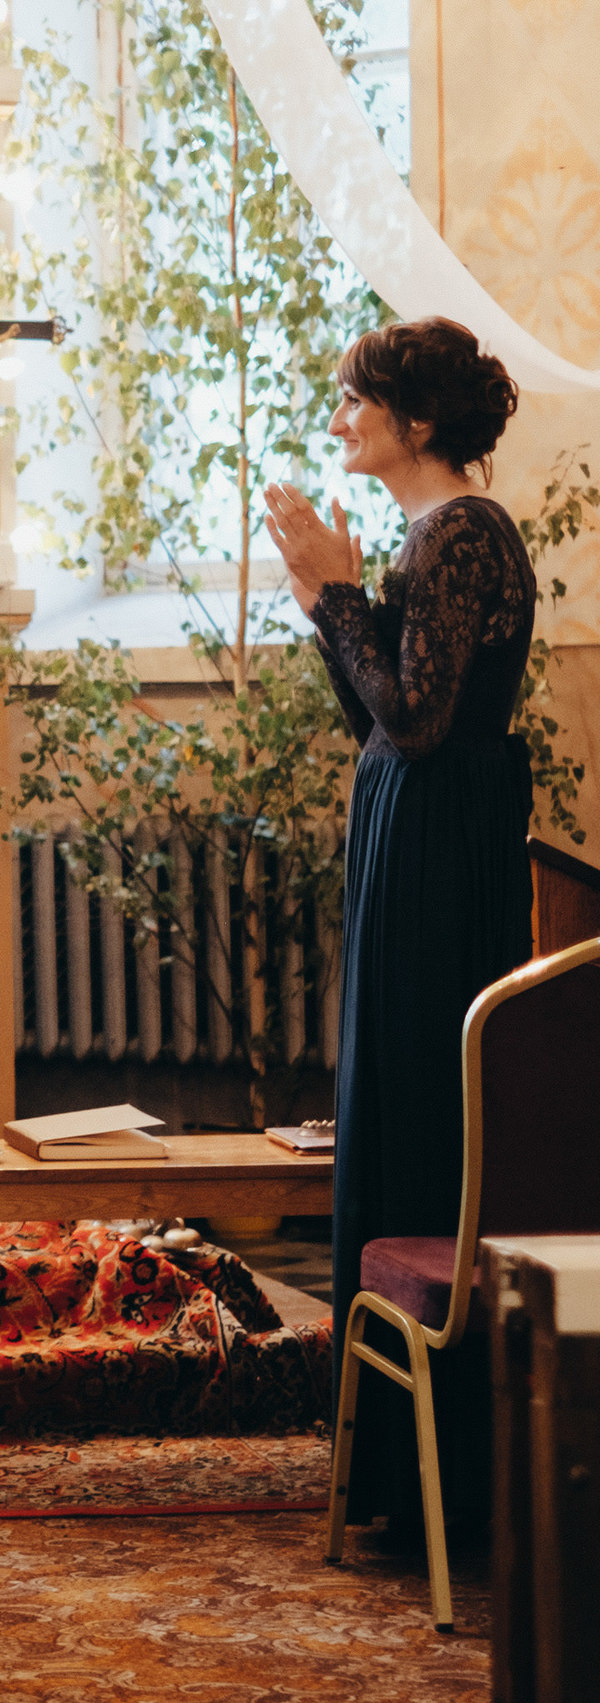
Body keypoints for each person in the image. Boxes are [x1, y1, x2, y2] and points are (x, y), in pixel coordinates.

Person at [262, 315, 533, 1539]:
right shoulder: (434, 532)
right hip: (410, 827)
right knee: (391, 1098)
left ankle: (445, 1475)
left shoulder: (466, 530)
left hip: (438, 842)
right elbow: (372, 717)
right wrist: (340, 599)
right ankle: (398, 1473)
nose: (337, 423)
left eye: (354, 402)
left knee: (423, 1100)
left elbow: (417, 721)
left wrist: (330, 591)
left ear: (414, 423)